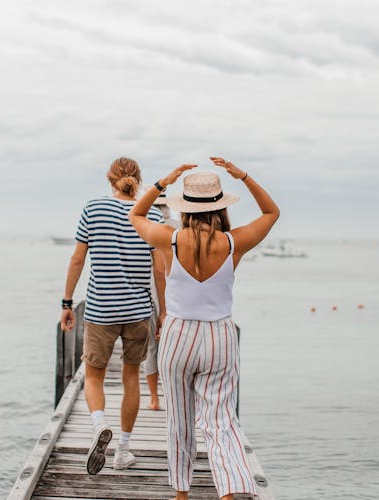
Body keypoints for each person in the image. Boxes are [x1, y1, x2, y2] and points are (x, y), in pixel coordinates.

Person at [129, 157, 280, 500]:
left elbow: (135, 214)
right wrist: (242, 176)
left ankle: (182, 496)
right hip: (219, 336)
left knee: (180, 421)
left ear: (186, 207)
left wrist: (163, 182)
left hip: (178, 335)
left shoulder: (168, 239)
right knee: (221, 422)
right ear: (220, 206)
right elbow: (271, 213)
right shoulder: (232, 243)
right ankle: (228, 492)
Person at [60, 157, 166, 475]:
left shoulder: (93, 208)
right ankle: (122, 450)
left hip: (101, 308)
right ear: (138, 178)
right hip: (137, 311)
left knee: (94, 376)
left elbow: (78, 258)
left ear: (110, 178)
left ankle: (98, 425)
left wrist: (67, 302)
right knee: (131, 376)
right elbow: (159, 270)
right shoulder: (153, 214)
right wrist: (163, 312)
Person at [144, 191, 181, 411]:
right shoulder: (178, 226)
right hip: (177, 290)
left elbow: (157, 270)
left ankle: (154, 399)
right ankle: (173, 397)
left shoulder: (146, 227)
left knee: (152, 347)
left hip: (151, 291)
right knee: (174, 347)